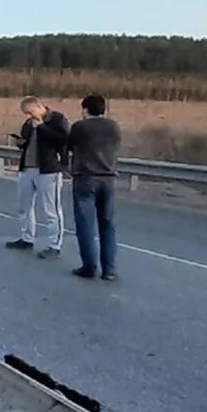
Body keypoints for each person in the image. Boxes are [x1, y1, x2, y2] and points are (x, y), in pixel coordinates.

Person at [4, 96, 70, 258]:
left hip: (48, 169)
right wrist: (21, 142)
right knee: (24, 206)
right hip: (27, 168)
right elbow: (26, 141)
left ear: (39, 106)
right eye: (26, 114)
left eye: (30, 112)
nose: (28, 117)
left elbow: (63, 140)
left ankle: (55, 245)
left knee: (51, 209)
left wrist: (41, 127)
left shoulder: (57, 119)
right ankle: (27, 238)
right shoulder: (28, 123)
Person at [68, 94, 123, 281]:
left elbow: (69, 146)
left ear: (85, 109)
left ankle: (89, 267)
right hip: (109, 178)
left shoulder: (79, 127)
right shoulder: (113, 127)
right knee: (108, 224)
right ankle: (109, 269)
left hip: (85, 177)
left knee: (86, 224)